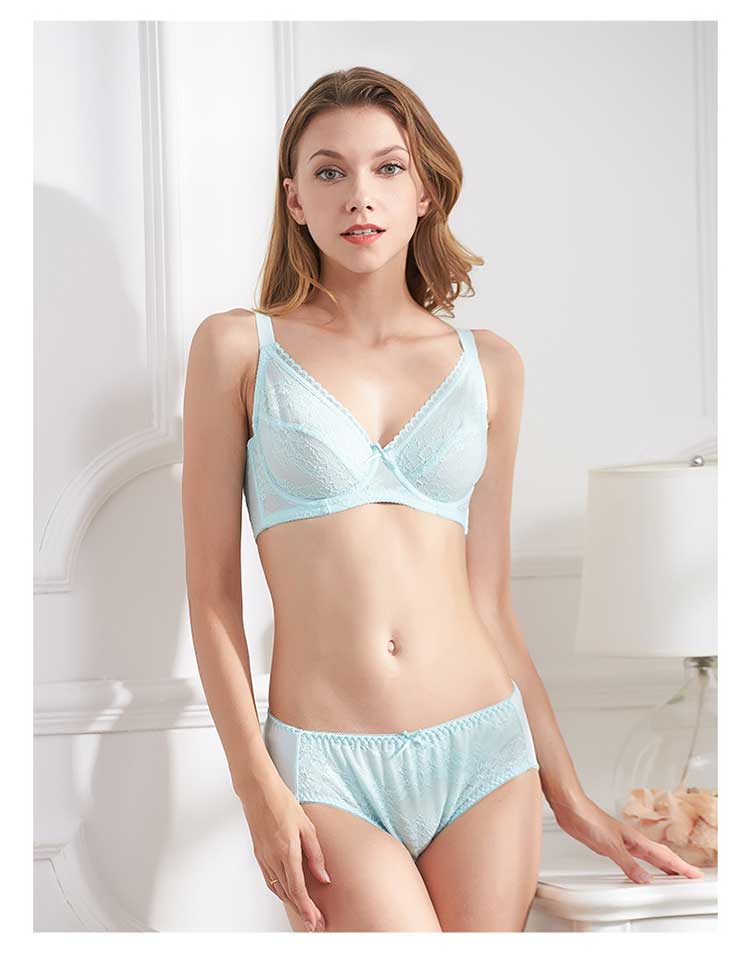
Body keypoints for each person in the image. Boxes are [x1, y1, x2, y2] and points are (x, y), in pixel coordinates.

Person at [181, 66, 704, 933]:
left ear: (423, 192)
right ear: (295, 200)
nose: (360, 194)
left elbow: (490, 602)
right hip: (327, 767)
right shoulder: (238, 349)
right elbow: (211, 597)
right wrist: (256, 787)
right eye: (329, 171)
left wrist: (569, 795)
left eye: (388, 167)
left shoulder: (489, 365)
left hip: (486, 752)